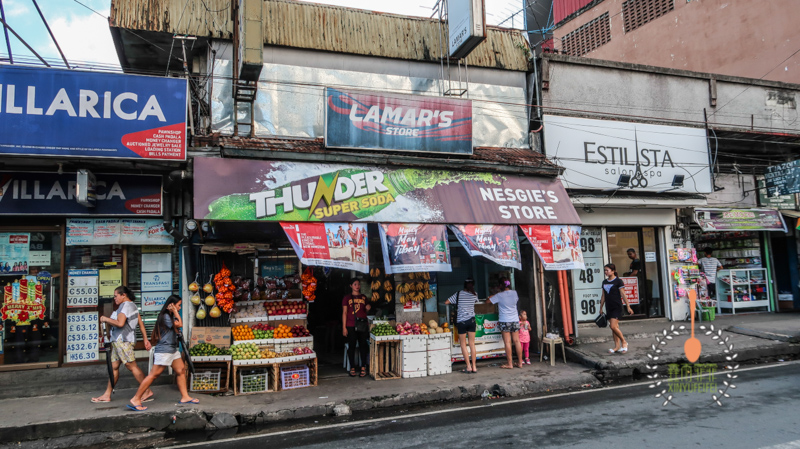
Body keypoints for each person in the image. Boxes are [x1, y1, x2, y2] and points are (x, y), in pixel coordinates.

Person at [128, 295, 196, 411]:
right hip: (164, 350)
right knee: (153, 375)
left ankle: (185, 397)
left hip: (172, 350)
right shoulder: (165, 316)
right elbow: (179, 324)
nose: (179, 308)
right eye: (178, 305)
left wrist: (174, 311)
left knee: (180, 370)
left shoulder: (168, 316)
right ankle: (136, 398)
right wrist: (175, 311)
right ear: (172, 305)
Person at [92, 286, 153, 403]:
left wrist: (105, 319)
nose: (114, 298)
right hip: (118, 341)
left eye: (116, 296)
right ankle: (107, 394)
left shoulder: (126, 306)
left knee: (132, 366)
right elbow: (140, 323)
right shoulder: (132, 306)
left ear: (123, 295)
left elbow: (120, 323)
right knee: (114, 367)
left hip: (123, 341)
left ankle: (147, 390)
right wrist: (145, 339)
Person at [487, 278, 524, 369]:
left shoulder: (499, 295)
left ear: (500, 286)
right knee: (517, 341)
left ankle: (510, 364)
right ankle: (520, 362)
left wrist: (493, 296)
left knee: (507, 342)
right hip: (515, 320)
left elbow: (488, 302)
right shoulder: (514, 293)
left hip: (504, 320)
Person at [445, 278, 479, 373]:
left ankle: (468, 366)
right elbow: (476, 301)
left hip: (462, 322)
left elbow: (446, 302)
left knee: (463, 344)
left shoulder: (458, 294)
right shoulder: (475, 294)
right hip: (472, 321)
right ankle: (474, 367)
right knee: (472, 344)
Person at [599, 264, 634, 354]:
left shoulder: (618, 281)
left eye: (607, 270)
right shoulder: (604, 282)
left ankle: (624, 342)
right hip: (609, 307)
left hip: (617, 307)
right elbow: (603, 296)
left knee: (613, 326)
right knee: (614, 328)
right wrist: (601, 308)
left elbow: (623, 294)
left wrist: (628, 306)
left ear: (613, 271)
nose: (606, 272)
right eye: (605, 270)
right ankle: (617, 346)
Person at [342, 278, 371, 377]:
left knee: (363, 345)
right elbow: (345, 313)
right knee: (352, 346)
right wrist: (344, 327)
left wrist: (368, 309)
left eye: (358, 284)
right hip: (351, 325)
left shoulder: (364, 297)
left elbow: (365, 311)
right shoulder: (347, 298)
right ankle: (352, 367)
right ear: (351, 286)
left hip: (362, 324)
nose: (357, 286)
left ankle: (363, 367)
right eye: (355, 284)